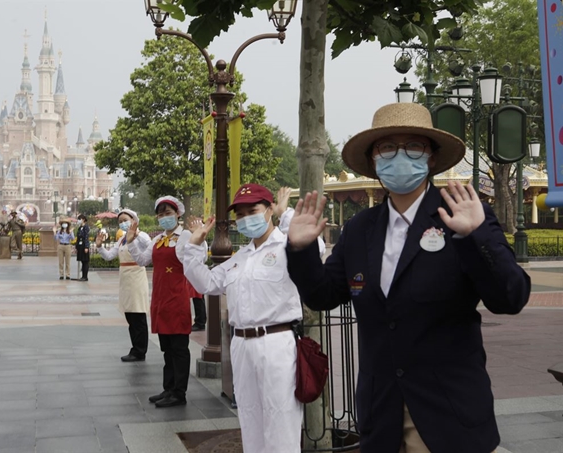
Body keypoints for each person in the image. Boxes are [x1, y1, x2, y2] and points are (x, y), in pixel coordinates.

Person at [285, 103, 531, 453]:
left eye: (414, 146)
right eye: (387, 147)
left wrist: (476, 236)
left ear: (430, 157)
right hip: (380, 415)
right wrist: (301, 249)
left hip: (448, 415)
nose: (400, 156)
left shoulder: (461, 216)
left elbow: (512, 297)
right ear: (373, 160)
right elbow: (322, 295)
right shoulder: (359, 229)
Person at [184, 184, 324, 453]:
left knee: (280, 419)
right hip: (241, 344)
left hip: (276, 342)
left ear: (269, 209)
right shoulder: (241, 258)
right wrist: (195, 245)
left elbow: (314, 246)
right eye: (241, 214)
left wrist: (286, 216)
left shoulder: (287, 246)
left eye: (253, 210)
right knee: (249, 418)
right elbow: (207, 283)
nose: (246, 218)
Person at [125, 195, 206, 408]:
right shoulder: (158, 239)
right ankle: (168, 388)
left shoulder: (186, 235)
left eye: (168, 214)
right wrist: (132, 240)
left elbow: (198, 258)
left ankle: (179, 392)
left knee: (179, 348)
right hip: (161, 299)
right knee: (166, 348)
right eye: (160, 215)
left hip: (177, 298)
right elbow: (143, 260)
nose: (164, 218)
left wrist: (199, 239)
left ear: (178, 214)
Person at [95, 208, 151, 362]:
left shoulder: (142, 236)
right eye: (120, 222)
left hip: (137, 277)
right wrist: (100, 247)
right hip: (125, 279)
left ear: (134, 220)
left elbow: (151, 248)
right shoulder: (122, 240)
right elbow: (109, 256)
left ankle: (140, 351)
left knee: (138, 314)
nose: (123, 224)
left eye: (125, 220)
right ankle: (135, 348)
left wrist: (136, 236)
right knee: (130, 315)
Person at [75, 214, 90, 281]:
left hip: (84, 245)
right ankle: (82, 276)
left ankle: (85, 276)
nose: (78, 221)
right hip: (80, 245)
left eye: (79, 219)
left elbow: (86, 237)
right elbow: (78, 237)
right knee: (82, 261)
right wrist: (76, 247)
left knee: (85, 261)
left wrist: (86, 246)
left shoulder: (86, 227)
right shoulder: (79, 227)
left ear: (83, 219)